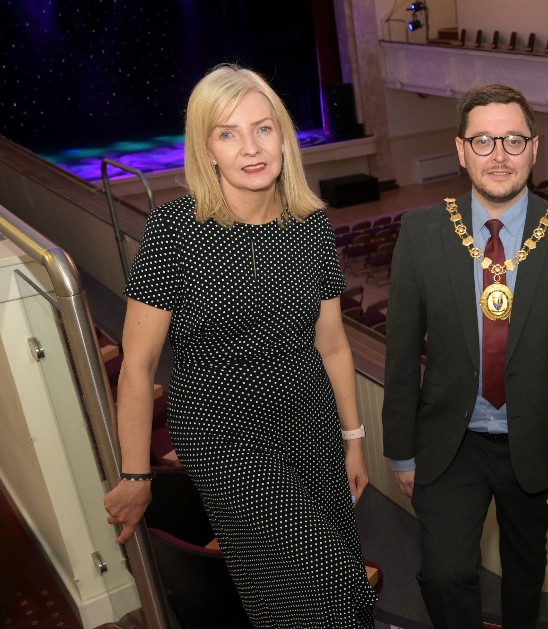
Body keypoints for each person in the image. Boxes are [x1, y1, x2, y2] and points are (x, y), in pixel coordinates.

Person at [101, 64, 377, 627]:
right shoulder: (174, 230)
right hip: (226, 438)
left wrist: (353, 439)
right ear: (207, 149)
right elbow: (138, 366)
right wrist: (135, 475)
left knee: (314, 582)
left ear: (284, 137)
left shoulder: (311, 224)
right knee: (326, 577)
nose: (250, 148)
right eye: (228, 133)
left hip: (311, 426)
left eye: (263, 128)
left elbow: (333, 346)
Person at [381, 84, 548, 628]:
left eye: (512, 139)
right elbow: (402, 352)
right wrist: (401, 452)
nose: (499, 154)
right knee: (442, 574)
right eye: (483, 140)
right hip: (449, 442)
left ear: (534, 149)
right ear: (461, 151)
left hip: (536, 443)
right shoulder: (422, 231)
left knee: (525, 574)